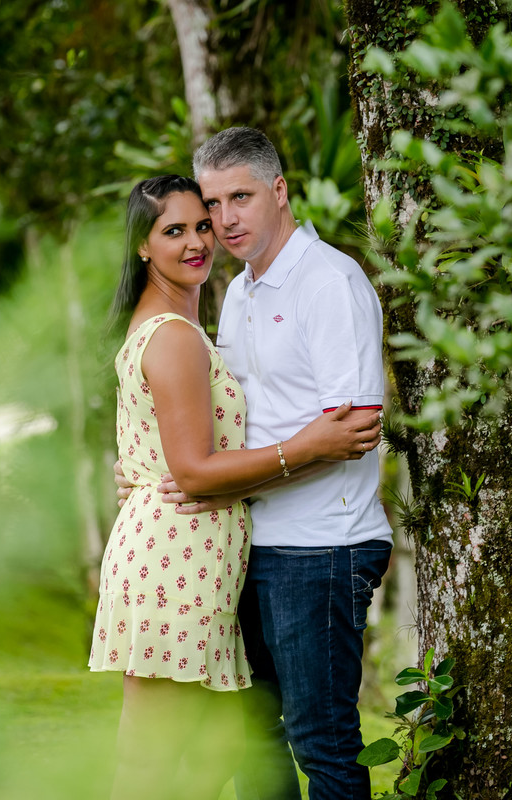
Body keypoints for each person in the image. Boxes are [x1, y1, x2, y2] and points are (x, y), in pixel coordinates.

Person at [89, 174, 382, 800]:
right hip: (178, 557)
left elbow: (180, 450)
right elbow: (193, 470)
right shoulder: (173, 336)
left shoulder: (191, 323)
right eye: (176, 230)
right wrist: (307, 447)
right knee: (152, 763)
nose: (200, 240)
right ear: (142, 245)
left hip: (200, 554)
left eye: (202, 224)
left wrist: (144, 476)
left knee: (216, 753)